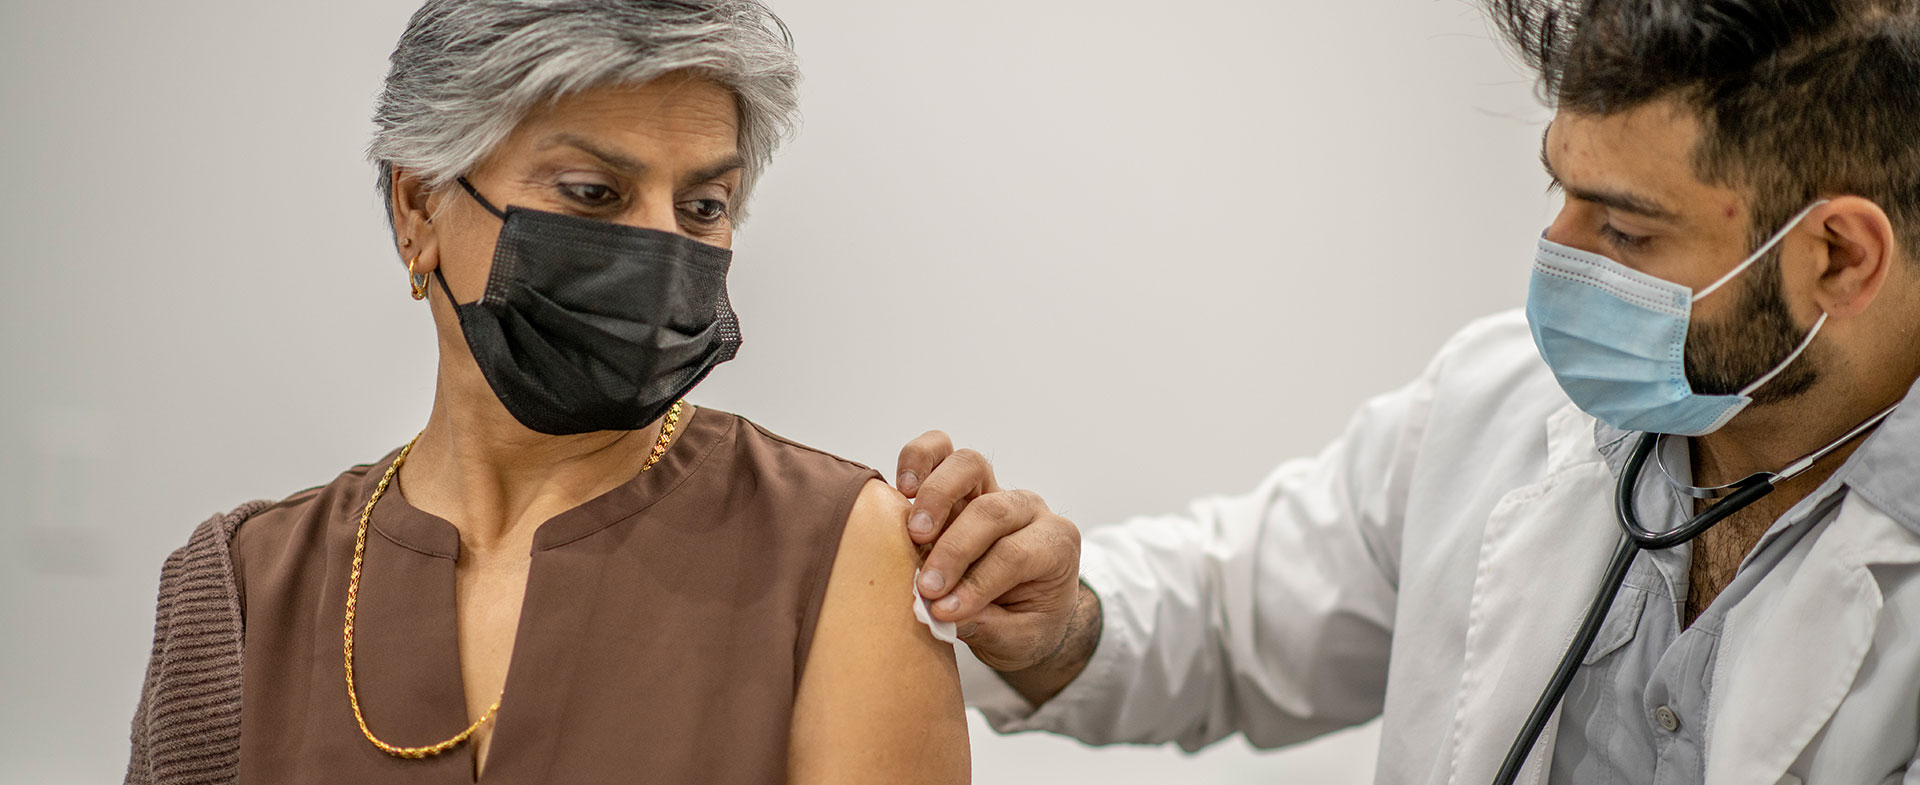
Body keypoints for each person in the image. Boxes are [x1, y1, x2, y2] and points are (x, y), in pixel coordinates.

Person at [898, 1, 1920, 782]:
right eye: (1558, 188)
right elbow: (1228, 619)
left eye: (1624, 230)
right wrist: (1056, 617)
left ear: (1838, 255)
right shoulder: (1501, 403)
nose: (1554, 257)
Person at [122, 2, 969, 783]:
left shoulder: (840, 548)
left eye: (704, 206)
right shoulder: (246, 583)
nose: (663, 249)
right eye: (594, 194)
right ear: (419, 208)